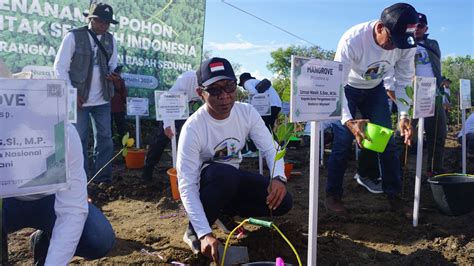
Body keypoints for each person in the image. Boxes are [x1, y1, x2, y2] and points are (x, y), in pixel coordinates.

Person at [177, 57, 292, 261]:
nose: (225, 97)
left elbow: (270, 148)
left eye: (230, 87)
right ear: (200, 93)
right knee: (225, 175)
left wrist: (279, 178)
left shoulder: (246, 112)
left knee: (283, 202)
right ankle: (193, 231)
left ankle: (224, 212)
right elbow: (186, 184)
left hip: (231, 179)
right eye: (214, 90)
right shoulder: (193, 128)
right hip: (211, 182)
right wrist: (204, 233)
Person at [326, 3, 418, 218]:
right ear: (379, 28)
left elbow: (404, 80)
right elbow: (336, 86)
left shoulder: (406, 44)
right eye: (392, 40)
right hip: (347, 88)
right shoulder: (353, 40)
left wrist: (404, 114)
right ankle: (333, 196)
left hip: (374, 89)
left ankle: (393, 195)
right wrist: (349, 121)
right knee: (341, 143)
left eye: (401, 43)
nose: (395, 48)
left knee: (385, 142)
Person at [2, 124, 116, 265]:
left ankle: (46, 242)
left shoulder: (64, 133)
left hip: (50, 201)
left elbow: (72, 210)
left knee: (99, 238)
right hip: (6, 203)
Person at [54, 3, 120, 183]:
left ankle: (102, 178)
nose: (104, 26)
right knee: (79, 140)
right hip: (79, 101)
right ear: (90, 19)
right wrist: (71, 93)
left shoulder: (110, 39)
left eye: (107, 23)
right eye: (101, 21)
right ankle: (80, 179)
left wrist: (114, 73)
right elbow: (60, 68)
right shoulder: (73, 37)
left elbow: (113, 63)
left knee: (105, 139)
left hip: (103, 100)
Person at [142, 70, 202, 182]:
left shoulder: (213, 83)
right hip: (173, 105)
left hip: (190, 108)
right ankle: (147, 171)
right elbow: (166, 101)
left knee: (189, 140)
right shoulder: (185, 80)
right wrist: (167, 125)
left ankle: (190, 174)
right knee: (161, 139)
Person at [411, 12, 447, 176]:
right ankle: (394, 170)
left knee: (438, 134)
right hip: (411, 93)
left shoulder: (433, 43)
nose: (417, 28)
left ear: (426, 28)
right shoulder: (403, 43)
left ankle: (433, 170)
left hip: (433, 93)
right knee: (402, 134)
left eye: (421, 26)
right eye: (414, 25)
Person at [238, 72, 282, 157]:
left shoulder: (247, 82)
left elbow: (254, 93)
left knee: (256, 127)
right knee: (268, 128)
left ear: (243, 81)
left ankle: (254, 150)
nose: (244, 87)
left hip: (268, 106)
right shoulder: (257, 82)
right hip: (277, 105)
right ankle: (277, 149)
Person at [110, 66, 128, 145]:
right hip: (118, 107)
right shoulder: (120, 80)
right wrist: (125, 102)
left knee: (109, 129)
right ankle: (123, 145)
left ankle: (111, 144)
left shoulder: (107, 77)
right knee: (121, 128)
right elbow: (124, 93)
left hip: (108, 107)